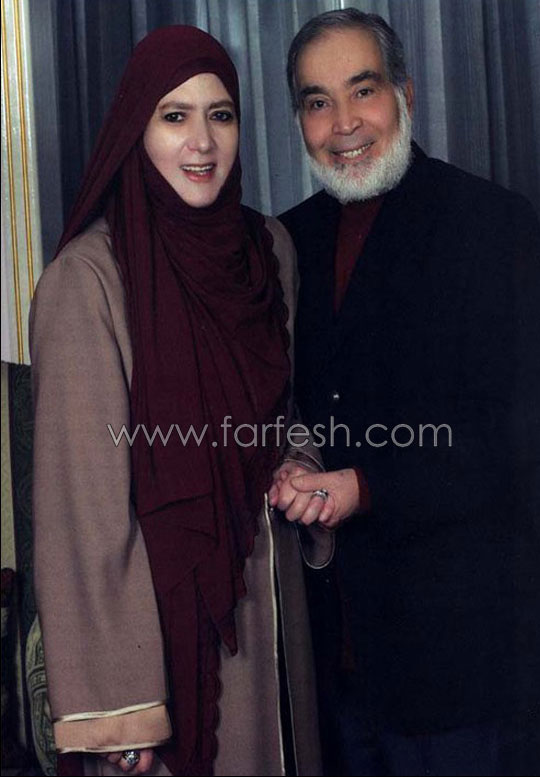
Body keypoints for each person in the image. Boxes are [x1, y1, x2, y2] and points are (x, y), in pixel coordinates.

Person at [30, 25, 329, 777]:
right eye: (174, 116)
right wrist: (122, 716)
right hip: (162, 649)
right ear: (136, 129)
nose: (202, 142)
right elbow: (83, 520)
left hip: (272, 613)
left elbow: (280, 412)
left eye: (220, 115)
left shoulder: (268, 252)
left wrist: (299, 465)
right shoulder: (87, 282)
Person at [269, 8, 540, 777]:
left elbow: (520, 437)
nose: (343, 123)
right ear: (298, 120)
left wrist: (366, 485)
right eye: (318, 101)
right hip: (332, 659)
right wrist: (295, 463)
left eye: (362, 90)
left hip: (464, 660)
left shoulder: (490, 223)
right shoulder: (285, 242)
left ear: (405, 93)